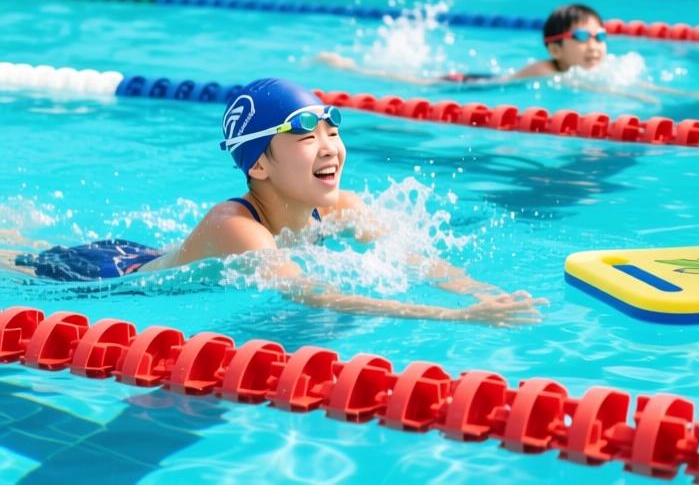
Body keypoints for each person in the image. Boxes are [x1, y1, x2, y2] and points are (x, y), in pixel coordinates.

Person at [10, 78, 546, 327]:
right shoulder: (235, 227)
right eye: (305, 134)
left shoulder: (338, 205)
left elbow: (414, 257)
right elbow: (314, 293)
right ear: (258, 164)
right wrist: (451, 318)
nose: (330, 143)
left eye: (332, 126)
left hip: (135, 249)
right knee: (14, 259)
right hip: (100, 275)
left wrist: (481, 293)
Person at [317, 2, 699, 102]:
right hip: (468, 84)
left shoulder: (594, 65)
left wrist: (686, 98)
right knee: (416, 81)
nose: (596, 47)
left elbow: (630, 81)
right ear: (557, 46)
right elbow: (613, 91)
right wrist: (635, 98)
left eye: (601, 37)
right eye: (584, 39)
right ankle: (347, 65)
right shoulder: (542, 69)